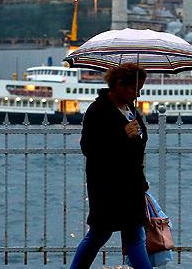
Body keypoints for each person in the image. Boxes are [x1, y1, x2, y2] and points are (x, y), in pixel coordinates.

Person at [70, 63, 151, 269]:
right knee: (99, 234)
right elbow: (89, 148)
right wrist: (123, 135)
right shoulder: (98, 110)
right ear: (119, 85)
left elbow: (139, 141)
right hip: (107, 186)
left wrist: (135, 136)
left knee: (133, 236)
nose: (137, 95)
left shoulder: (130, 109)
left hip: (131, 185)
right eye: (134, 89)